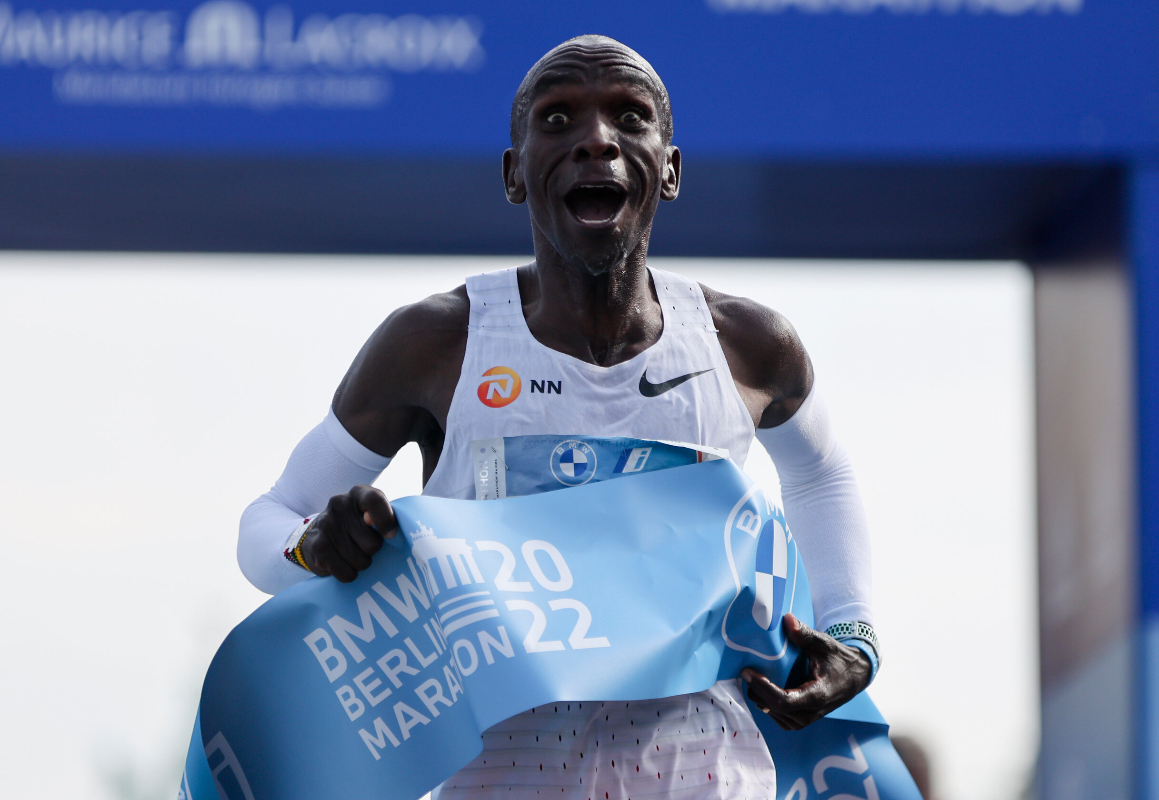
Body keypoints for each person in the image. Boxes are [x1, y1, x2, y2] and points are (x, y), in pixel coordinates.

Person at [238, 35, 878, 800]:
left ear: (669, 170)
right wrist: (316, 549)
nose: (596, 140)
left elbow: (823, 474)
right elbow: (268, 525)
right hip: (503, 773)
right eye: (557, 119)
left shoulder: (744, 345)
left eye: (631, 117)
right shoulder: (437, 344)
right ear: (515, 175)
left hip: (701, 772)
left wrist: (852, 635)